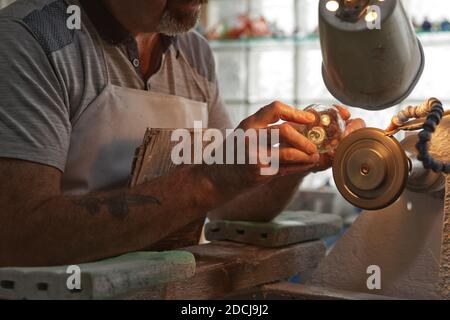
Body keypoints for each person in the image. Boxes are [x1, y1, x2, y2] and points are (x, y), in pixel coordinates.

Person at [0, 0, 365, 267]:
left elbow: (229, 208)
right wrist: (208, 181)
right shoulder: (31, 40)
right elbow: (21, 233)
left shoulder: (194, 52)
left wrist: (297, 159)